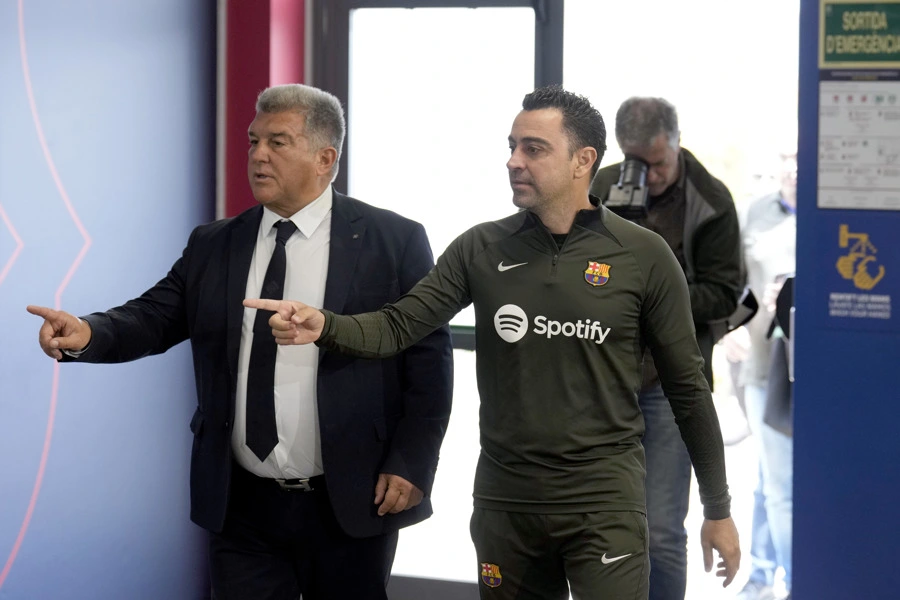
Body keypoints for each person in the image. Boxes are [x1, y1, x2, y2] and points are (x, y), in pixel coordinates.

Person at [246, 85, 740, 599]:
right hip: (506, 504)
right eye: (512, 146)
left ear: (583, 160)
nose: (513, 161)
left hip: (603, 504)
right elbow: (398, 325)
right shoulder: (481, 247)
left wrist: (717, 509)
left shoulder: (645, 255)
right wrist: (324, 325)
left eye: (534, 148)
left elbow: (689, 390)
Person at [27, 83, 453, 600]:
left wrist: (411, 462)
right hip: (242, 503)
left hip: (351, 495)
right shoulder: (215, 242)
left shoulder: (394, 240)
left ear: (325, 158)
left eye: (277, 142)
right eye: (253, 141)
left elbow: (429, 364)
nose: (257, 156)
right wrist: (90, 333)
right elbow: (156, 315)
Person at [589, 97, 744, 600]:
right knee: (593, 525)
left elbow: (724, 292)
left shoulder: (710, 200)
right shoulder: (599, 188)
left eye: (657, 162)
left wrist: (655, 291)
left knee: (660, 530)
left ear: (677, 142)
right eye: (635, 160)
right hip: (602, 379)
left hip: (669, 383)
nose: (647, 175)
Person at [726, 150, 796, 600]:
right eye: (787, 158)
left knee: (780, 483)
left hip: (808, 370)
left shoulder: (832, 215)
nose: (793, 168)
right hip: (759, 364)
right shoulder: (754, 211)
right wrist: (727, 329)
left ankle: (785, 577)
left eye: (801, 158)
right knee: (775, 482)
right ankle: (766, 575)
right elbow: (735, 283)